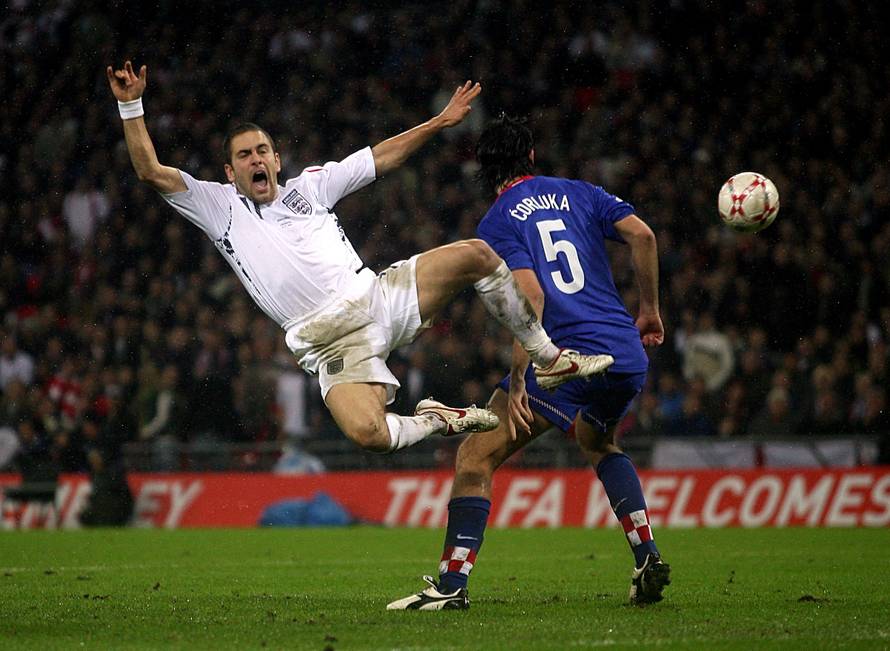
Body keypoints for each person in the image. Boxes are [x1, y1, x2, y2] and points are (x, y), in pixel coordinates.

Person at [106, 62, 613, 455]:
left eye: (263, 150)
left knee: (478, 255)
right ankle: (437, 419)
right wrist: (132, 106)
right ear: (229, 169)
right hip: (326, 340)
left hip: (377, 296)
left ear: (277, 160)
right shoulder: (218, 208)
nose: (256, 159)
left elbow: (381, 157)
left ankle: (548, 358)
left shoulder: (310, 185)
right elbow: (151, 170)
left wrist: (440, 121)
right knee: (370, 435)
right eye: (244, 155)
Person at [388, 115, 670, 610]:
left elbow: (531, 297)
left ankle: (452, 585)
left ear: (484, 169)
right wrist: (648, 310)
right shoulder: (580, 192)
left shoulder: (497, 220)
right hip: (625, 353)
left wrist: (520, 380)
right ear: (532, 157)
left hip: (564, 358)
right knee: (597, 440)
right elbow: (643, 236)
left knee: (476, 456)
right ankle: (646, 554)